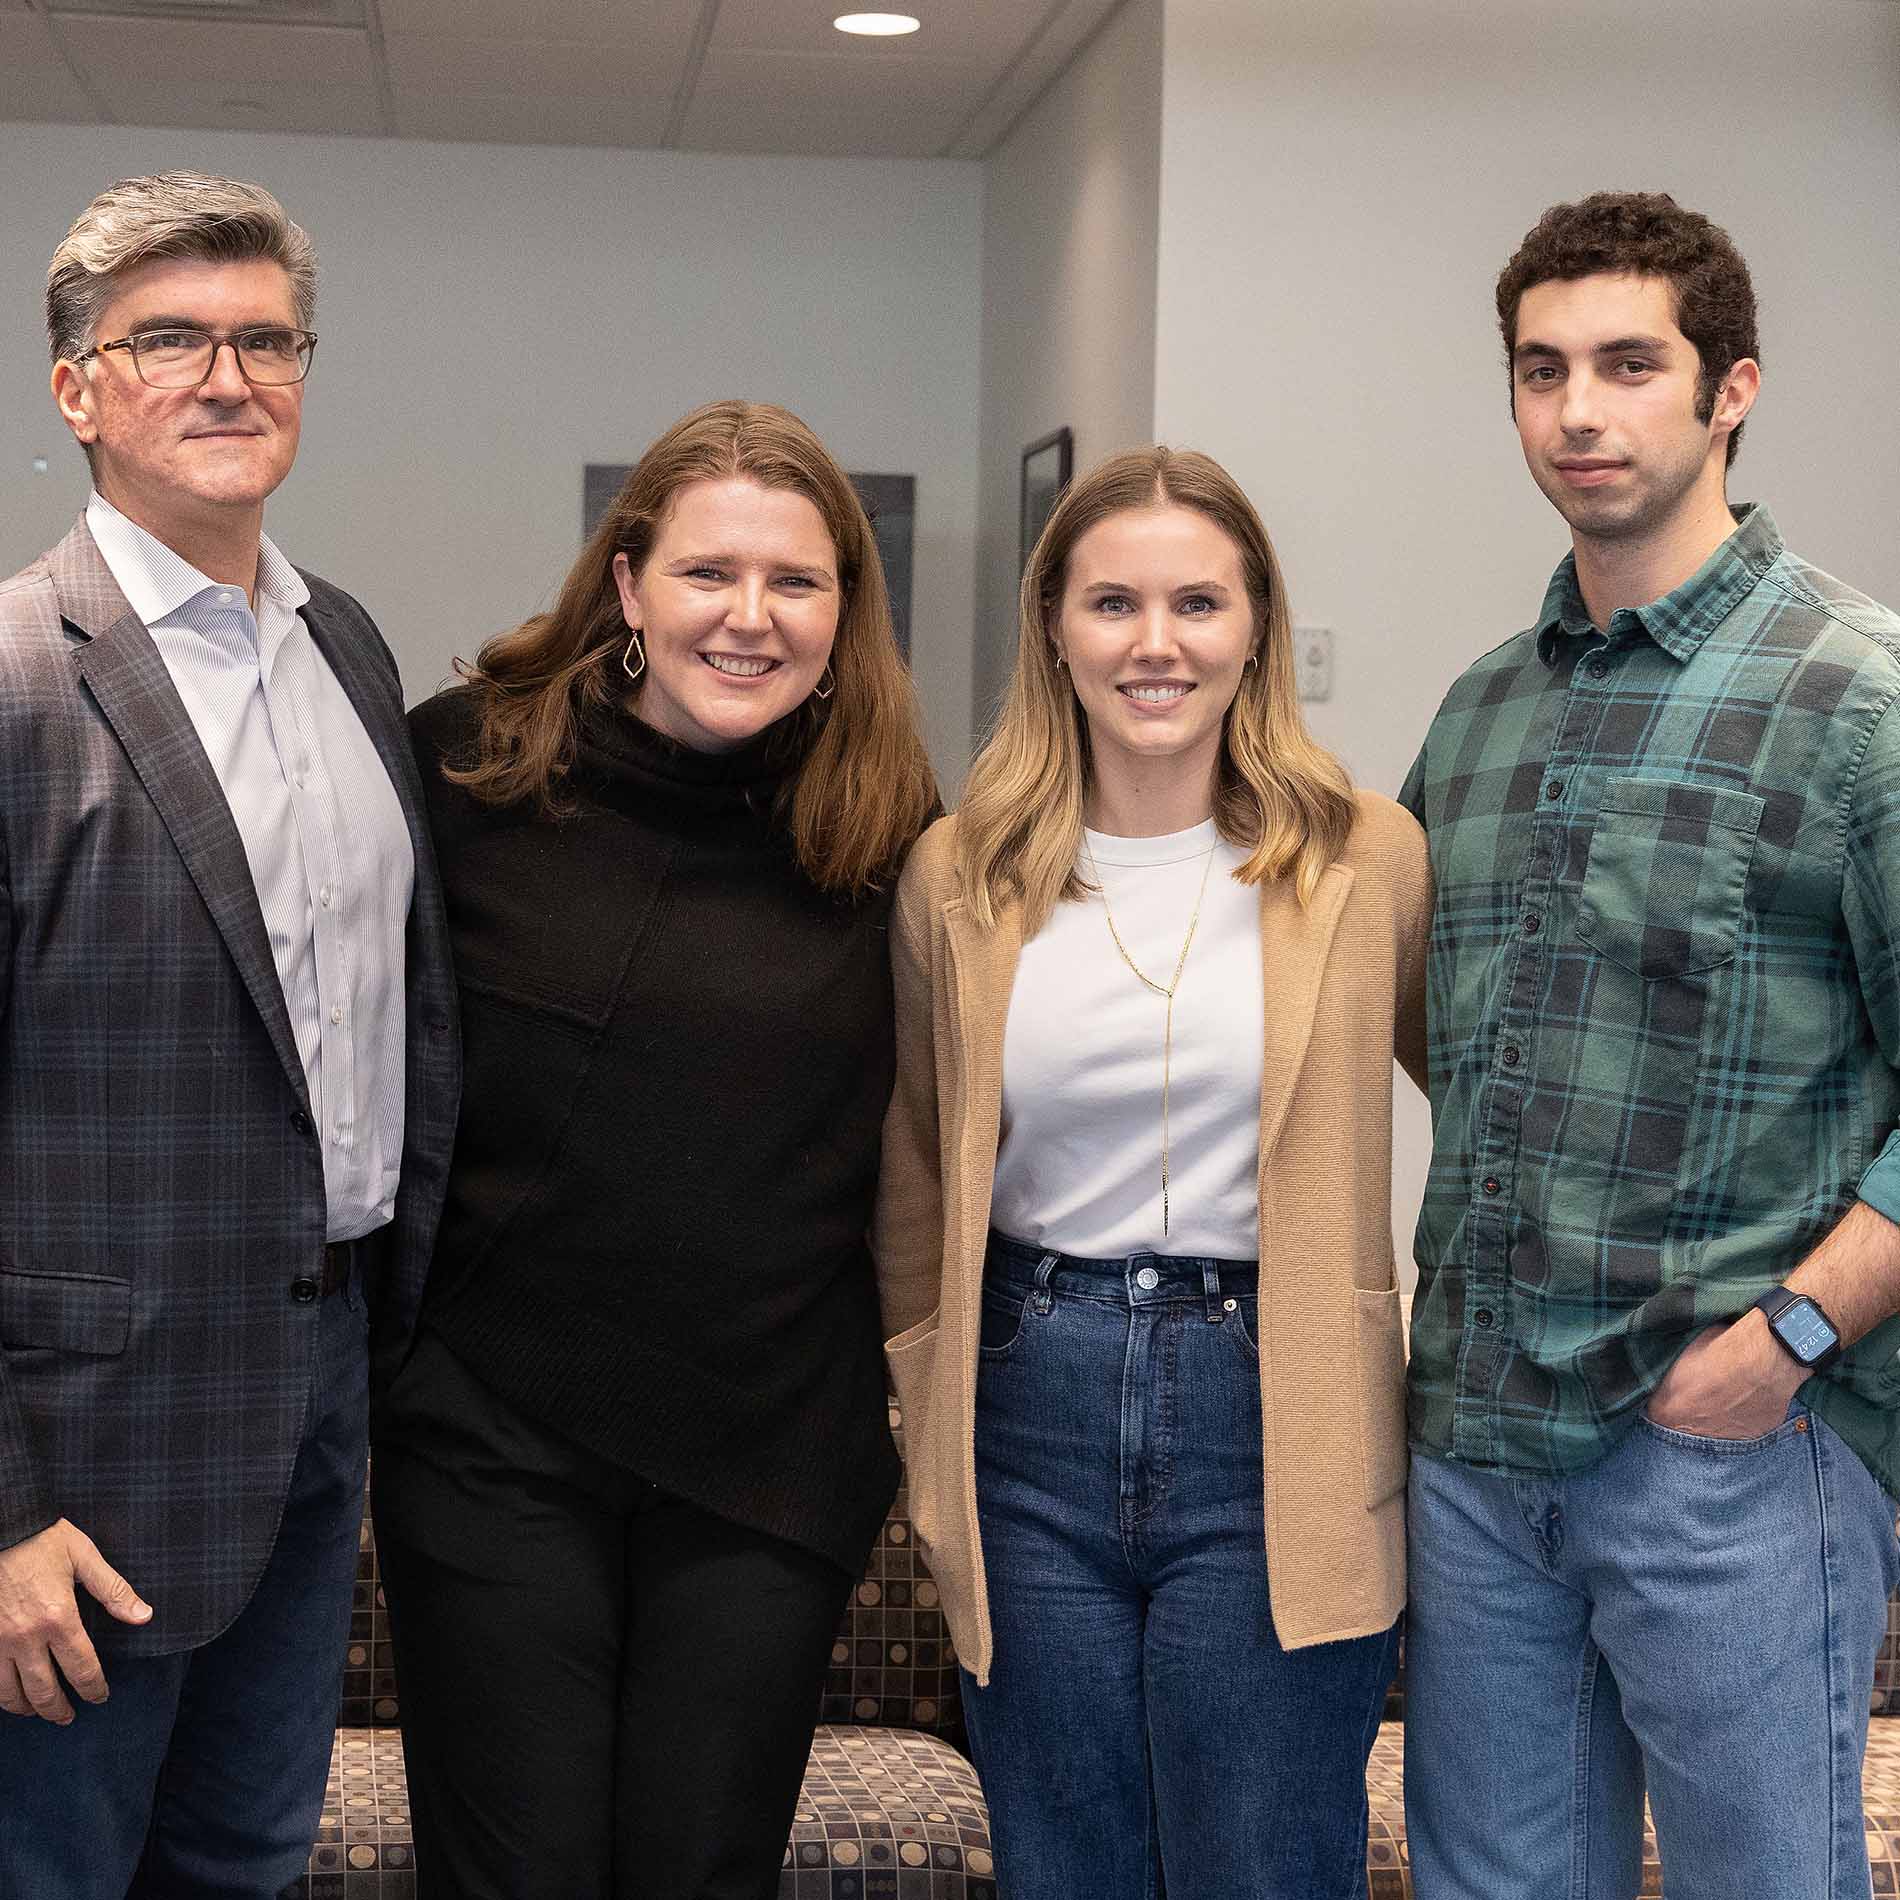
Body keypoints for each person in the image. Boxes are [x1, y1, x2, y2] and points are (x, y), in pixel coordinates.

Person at [1399, 190, 1900, 1899]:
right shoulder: (1476, 715)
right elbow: (1444, 1034)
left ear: (1732, 388)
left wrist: (1791, 1338)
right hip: (1476, 1449)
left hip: (1731, 1452)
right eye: (1543, 371)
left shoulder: (1864, 697)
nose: (1580, 412)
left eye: (1629, 363)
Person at [375, 398, 939, 1898]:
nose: (749, 618)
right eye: (708, 573)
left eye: (796, 582)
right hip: (495, 1440)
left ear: (842, 609)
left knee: (703, 1874)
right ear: (628, 586)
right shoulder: (466, 775)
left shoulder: (894, 832)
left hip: (763, 1458)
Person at [874, 445, 1429, 1896]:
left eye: (1198, 602)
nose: (1157, 643)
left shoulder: (1365, 860)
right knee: (1065, 1864)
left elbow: (1485, 1097)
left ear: (1256, 628)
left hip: (1280, 1405)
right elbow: (919, 1161)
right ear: (1054, 624)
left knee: (1262, 1859)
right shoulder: (960, 872)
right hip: (1028, 1403)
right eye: (1114, 602)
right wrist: (925, 1381)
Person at [0, 171, 459, 1898]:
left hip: (314, 1392)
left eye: (266, 339)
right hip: (76, 1453)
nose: (227, 377)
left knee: (248, 1865)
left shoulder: (341, 644)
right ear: (77, 388)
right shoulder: (18, 676)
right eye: (170, 340)